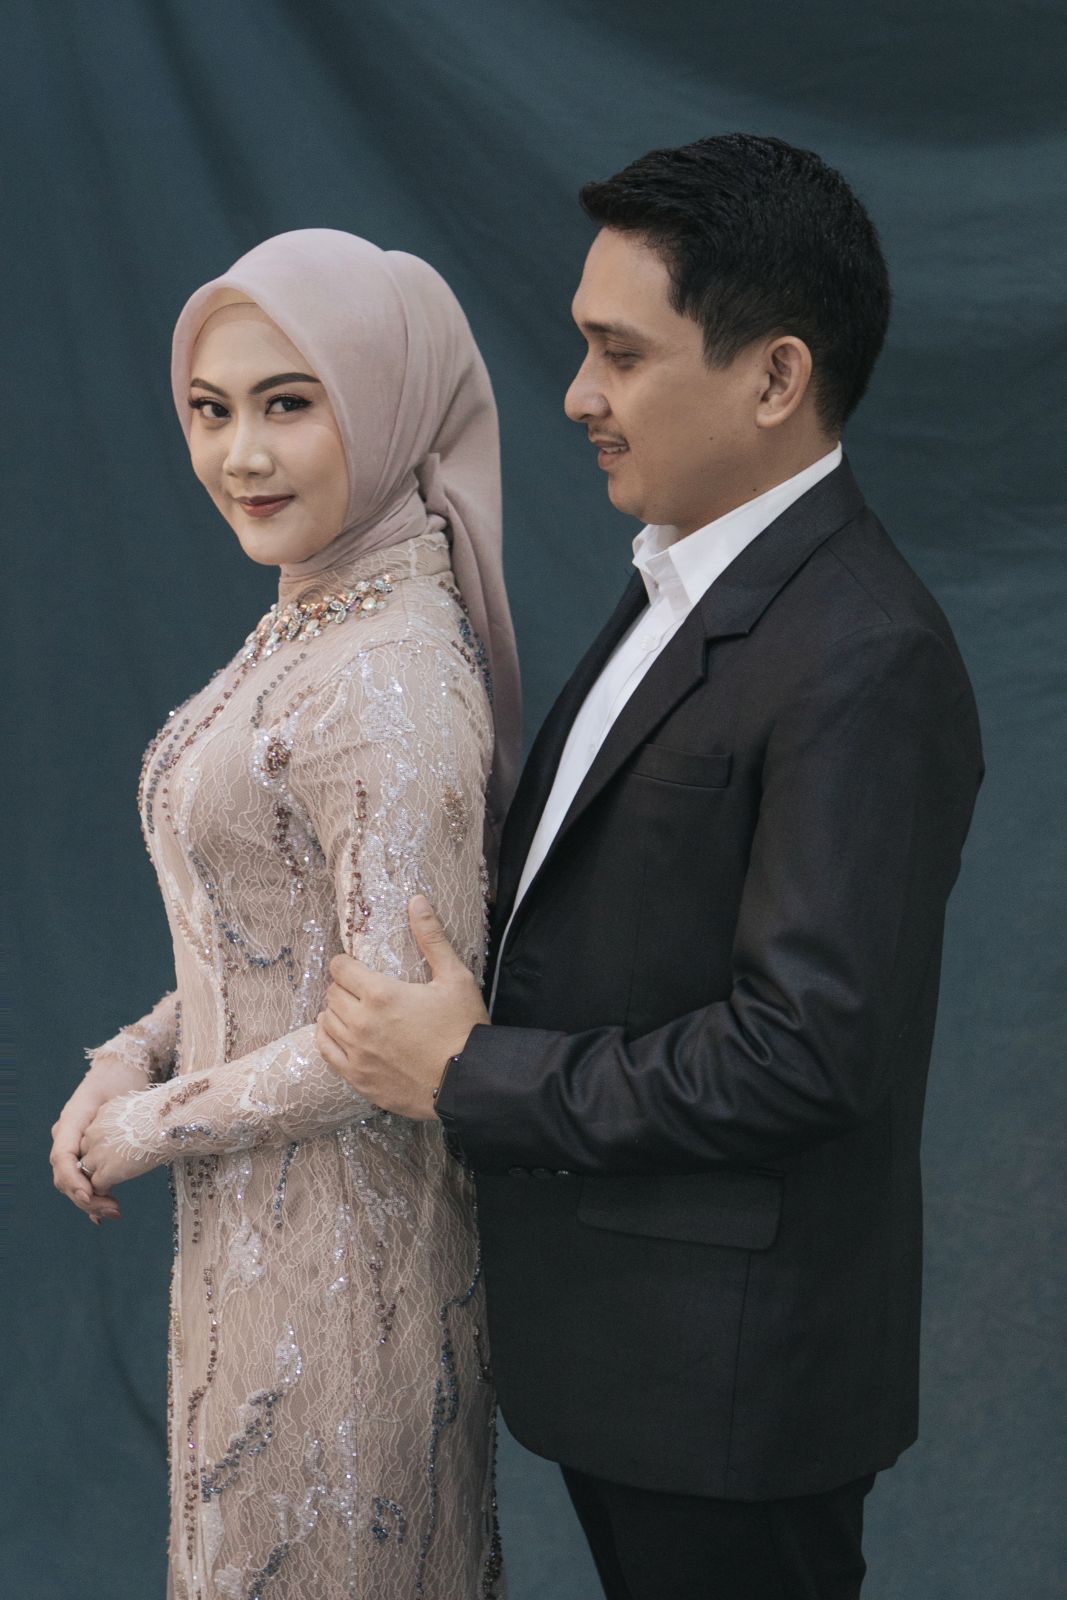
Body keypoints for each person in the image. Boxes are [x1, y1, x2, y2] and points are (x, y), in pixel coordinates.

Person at [315, 136, 984, 1600]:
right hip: (632, 1358)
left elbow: (806, 1054)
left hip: (732, 1390)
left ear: (776, 377)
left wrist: (473, 1073)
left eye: (619, 354)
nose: (576, 395)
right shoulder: (685, 580)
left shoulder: (865, 653)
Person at [48, 228, 519, 1599]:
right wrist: (128, 1052)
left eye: (288, 404)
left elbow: (381, 1034)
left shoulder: (390, 676)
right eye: (211, 411)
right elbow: (265, 932)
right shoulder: (316, 616)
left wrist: (143, 1125)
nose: (240, 455)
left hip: (348, 1280)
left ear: (383, 402)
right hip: (256, 1250)